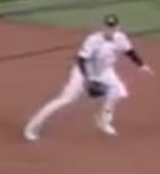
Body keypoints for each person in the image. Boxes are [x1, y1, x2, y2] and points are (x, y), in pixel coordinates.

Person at [23, 13, 152, 141]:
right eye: (107, 27)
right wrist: (88, 80)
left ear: (117, 28)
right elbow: (81, 60)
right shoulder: (93, 39)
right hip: (83, 71)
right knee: (66, 99)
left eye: (112, 27)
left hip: (104, 71)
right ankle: (32, 127)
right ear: (103, 27)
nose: (110, 30)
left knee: (117, 91)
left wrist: (141, 65)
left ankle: (103, 120)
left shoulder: (121, 38)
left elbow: (129, 51)